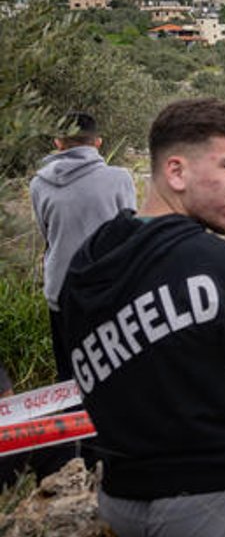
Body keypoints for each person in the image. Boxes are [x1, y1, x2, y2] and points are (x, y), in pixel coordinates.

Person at [59, 97, 225, 537]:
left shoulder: (88, 261)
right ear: (177, 171)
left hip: (122, 495)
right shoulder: (222, 265)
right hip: (214, 499)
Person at [30, 112, 136, 378]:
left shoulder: (38, 184)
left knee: (68, 374)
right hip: (109, 289)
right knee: (115, 373)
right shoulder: (119, 178)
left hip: (61, 289)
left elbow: (47, 234)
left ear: (58, 143)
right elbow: (131, 234)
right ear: (98, 142)